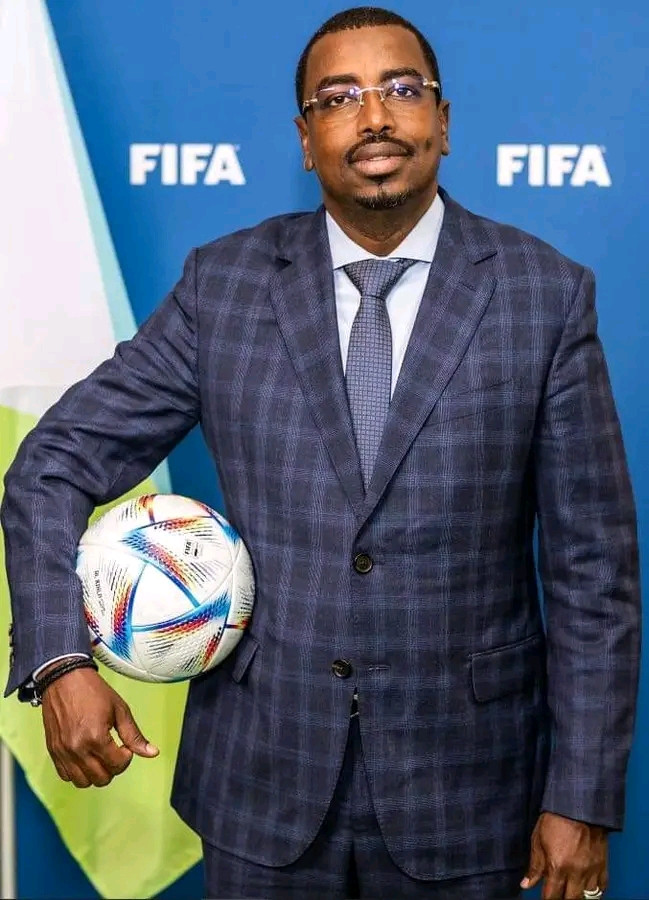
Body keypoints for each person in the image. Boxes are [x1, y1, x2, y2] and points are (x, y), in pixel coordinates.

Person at [1, 7, 641, 900]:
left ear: (443, 121)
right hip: (261, 786)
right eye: (338, 98)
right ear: (306, 140)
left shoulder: (544, 295)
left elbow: (592, 574)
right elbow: (52, 462)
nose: (373, 116)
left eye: (400, 89)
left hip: (470, 794)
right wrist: (60, 658)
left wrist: (581, 796)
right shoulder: (223, 286)